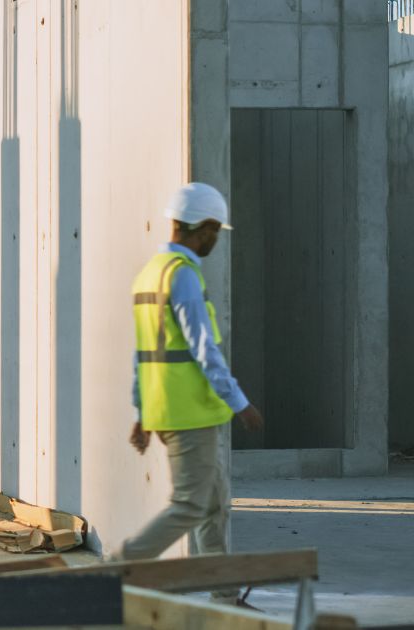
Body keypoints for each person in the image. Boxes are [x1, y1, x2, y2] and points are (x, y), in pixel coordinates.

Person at [121, 183, 265, 598]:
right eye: (215, 231)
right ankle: (117, 569)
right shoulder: (182, 275)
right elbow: (203, 347)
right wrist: (241, 403)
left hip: (182, 409)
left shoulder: (151, 272)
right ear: (200, 227)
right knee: (191, 506)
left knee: (214, 509)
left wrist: (143, 412)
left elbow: (143, 356)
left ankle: (224, 600)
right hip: (191, 413)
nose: (216, 240)